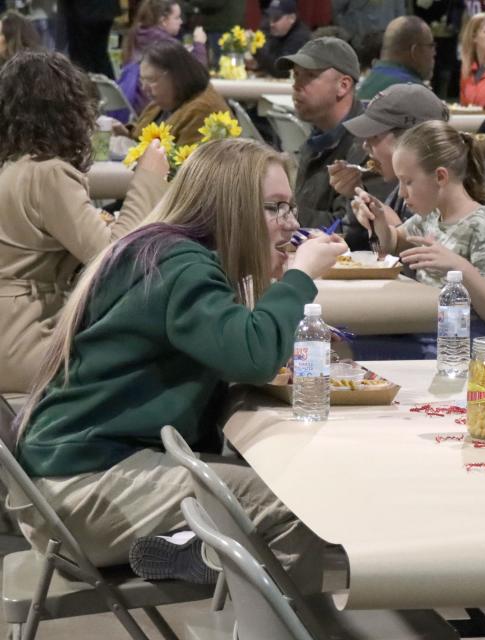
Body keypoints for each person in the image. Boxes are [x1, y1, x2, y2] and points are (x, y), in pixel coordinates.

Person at [10, 138, 348, 588]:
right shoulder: (181, 267)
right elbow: (253, 355)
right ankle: (239, 581)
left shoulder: (162, 250)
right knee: (294, 505)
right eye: (275, 208)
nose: (291, 224)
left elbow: (234, 346)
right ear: (230, 209)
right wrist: (301, 277)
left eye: (289, 208)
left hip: (63, 483)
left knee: (262, 484)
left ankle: (199, 547)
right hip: (83, 493)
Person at [0, 51, 168, 394]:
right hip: (25, 341)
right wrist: (149, 178)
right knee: (153, 363)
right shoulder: (48, 172)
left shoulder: (14, 166)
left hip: (11, 333)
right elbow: (114, 257)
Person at [353, 120, 485, 342]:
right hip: (426, 328)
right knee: (348, 341)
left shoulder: (482, 226)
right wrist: (378, 221)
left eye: (408, 182)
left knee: (351, 351)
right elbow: (391, 243)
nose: (401, 193)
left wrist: (460, 267)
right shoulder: (432, 216)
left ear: (440, 177)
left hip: (460, 343)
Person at [278, 37, 384, 229]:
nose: (296, 85)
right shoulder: (319, 137)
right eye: (295, 75)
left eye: (309, 75)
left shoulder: (369, 146)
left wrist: (277, 212)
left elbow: (349, 230)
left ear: (343, 86)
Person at [341, 83, 450, 250]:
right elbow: (378, 248)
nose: (365, 145)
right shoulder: (399, 192)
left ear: (412, 138)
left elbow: (430, 269)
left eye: (375, 136)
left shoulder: (450, 198)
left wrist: (395, 226)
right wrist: (371, 219)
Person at [129, 40, 230, 146]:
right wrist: (126, 132)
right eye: (142, 80)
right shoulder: (165, 101)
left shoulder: (203, 111)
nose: (144, 88)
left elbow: (183, 160)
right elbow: (142, 138)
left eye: (151, 80)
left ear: (176, 76)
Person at [119, 0, 208, 115]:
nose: (181, 22)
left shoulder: (135, 35)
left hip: (134, 104)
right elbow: (198, 77)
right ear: (163, 21)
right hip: (155, 107)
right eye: (177, 18)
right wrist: (199, 44)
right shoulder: (164, 45)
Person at [357, 16, 435, 100]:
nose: (434, 52)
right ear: (415, 51)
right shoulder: (417, 94)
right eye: (431, 46)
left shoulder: (365, 84)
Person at [252, 0, 311, 78]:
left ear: (292, 18)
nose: (271, 23)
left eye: (276, 18)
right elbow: (268, 60)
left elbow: (282, 71)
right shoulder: (273, 30)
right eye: (269, 17)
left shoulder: (301, 37)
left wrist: (256, 48)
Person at [64, 0, 119, 77]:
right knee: (100, 54)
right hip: (105, 8)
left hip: (85, 10)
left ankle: (86, 86)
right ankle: (108, 87)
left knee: (83, 58)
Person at [332, 0, 405, 46]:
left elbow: (399, 15)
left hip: (385, 40)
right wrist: (348, 32)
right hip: (359, 41)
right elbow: (334, 9)